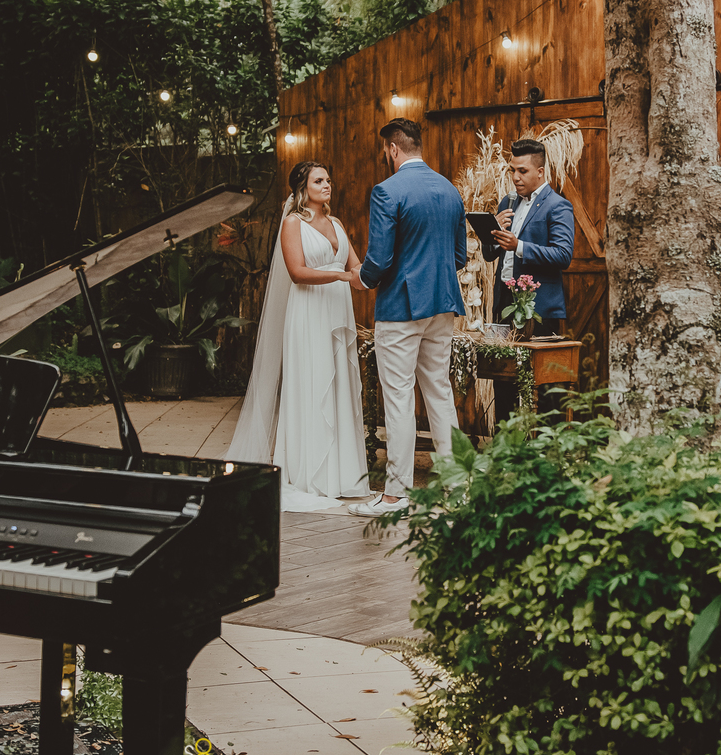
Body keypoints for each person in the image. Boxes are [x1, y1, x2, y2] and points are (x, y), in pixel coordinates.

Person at [226, 161, 370, 512]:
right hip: (308, 315)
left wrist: (381, 270)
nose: (327, 185)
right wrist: (339, 277)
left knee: (339, 386)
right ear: (302, 188)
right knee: (312, 384)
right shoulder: (293, 223)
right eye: (318, 180)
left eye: (328, 180)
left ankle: (342, 475)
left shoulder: (336, 223)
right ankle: (310, 474)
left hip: (337, 313)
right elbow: (297, 272)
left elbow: (356, 266)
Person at [347, 119, 467, 517]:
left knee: (398, 397)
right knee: (439, 392)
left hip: (400, 307)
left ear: (392, 150)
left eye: (386, 151)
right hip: (443, 304)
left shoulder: (387, 190)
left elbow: (378, 259)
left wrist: (362, 280)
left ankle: (396, 495)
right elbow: (460, 257)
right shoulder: (450, 189)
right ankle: (457, 487)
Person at [483, 138, 576, 421]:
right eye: (512, 170)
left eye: (522, 171)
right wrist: (494, 232)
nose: (515, 177)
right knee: (503, 381)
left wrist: (519, 246)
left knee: (548, 389)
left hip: (540, 310)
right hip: (503, 308)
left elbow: (563, 255)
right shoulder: (507, 202)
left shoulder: (558, 206)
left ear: (541, 172)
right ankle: (506, 453)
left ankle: (549, 456)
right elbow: (490, 256)